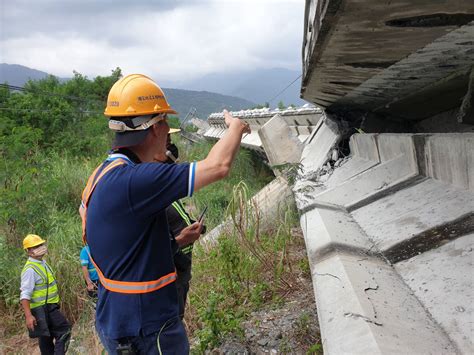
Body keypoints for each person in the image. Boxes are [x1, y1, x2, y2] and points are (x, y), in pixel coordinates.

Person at [79, 73, 250, 354]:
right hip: (146, 325)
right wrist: (234, 128)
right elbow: (218, 166)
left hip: (118, 316)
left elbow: (124, 244)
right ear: (156, 127)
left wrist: (178, 241)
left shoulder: (104, 173)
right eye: (166, 123)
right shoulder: (137, 180)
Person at [161, 132, 206, 319]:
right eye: (168, 142)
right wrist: (181, 239)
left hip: (181, 273)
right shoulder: (152, 197)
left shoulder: (167, 191)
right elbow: (148, 248)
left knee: (178, 318)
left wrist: (195, 227)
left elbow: (179, 220)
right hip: (169, 279)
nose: (172, 148)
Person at [20, 234, 71, 355]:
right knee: (64, 330)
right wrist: (28, 316)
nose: (40, 247)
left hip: (49, 307)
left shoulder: (42, 263)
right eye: (35, 246)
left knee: (46, 339)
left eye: (41, 244)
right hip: (42, 309)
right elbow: (25, 294)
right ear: (28, 251)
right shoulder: (30, 270)